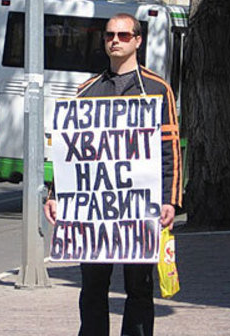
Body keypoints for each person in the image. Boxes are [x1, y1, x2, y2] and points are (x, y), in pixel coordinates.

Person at [43, 13, 182, 336]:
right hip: (95, 216)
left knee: (139, 289)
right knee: (92, 287)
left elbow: (169, 150)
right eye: (109, 35)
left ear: (137, 40)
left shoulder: (157, 90)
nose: (115, 41)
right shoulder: (87, 90)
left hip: (139, 210)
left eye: (122, 35)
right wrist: (55, 195)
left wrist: (170, 201)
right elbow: (72, 153)